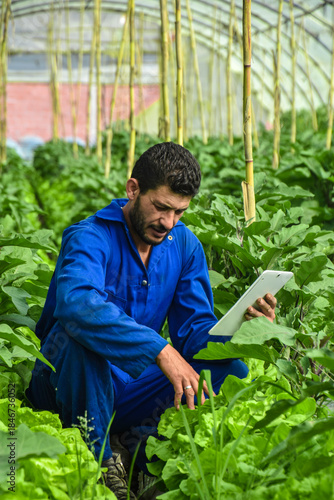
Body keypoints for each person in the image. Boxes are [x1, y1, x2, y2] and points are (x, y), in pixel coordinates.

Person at [26, 142, 276, 500]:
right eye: (161, 207)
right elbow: (75, 303)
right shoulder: (90, 237)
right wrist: (160, 350)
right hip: (66, 381)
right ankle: (99, 461)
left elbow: (193, 332)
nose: (168, 222)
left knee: (228, 369)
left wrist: (243, 325)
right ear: (133, 189)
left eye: (179, 212)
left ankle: (140, 450)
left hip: (127, 385)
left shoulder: (184, 245)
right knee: (77, 335)